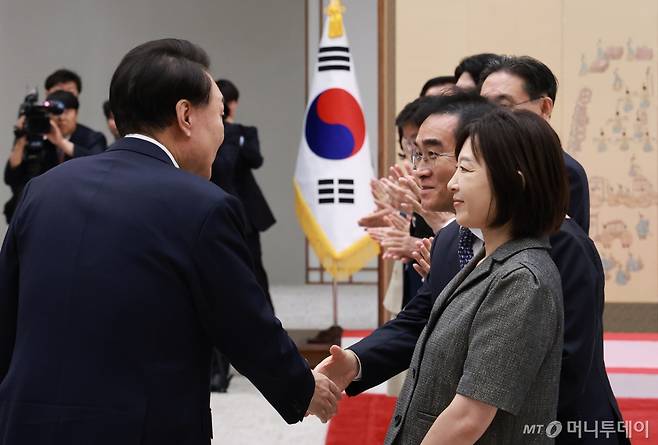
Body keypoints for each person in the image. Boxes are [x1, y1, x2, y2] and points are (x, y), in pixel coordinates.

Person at [0, 39, 339, 445]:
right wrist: (303, 390)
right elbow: (245, 324)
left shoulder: (44, 189)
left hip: (26, 424)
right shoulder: (203, 206)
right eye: (218, 116)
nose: (222, 132)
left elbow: (7, 314)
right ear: (185, 115)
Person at [316, 92, 627, 444]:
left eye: (437, 155)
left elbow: (562, 367)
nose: (421, 169)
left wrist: (468, 410)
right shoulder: (453, 239)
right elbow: (425, 320)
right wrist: (356, 361)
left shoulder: (553, 253)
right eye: (415, 153)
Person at [386, 107, 568, 444]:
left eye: (466, 169)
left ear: (515, 182)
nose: (453, 183)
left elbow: (469, 417)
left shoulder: (522, 280)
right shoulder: (488, 260)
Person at [479, 55, 590, 233]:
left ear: (544, 108)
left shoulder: (564, 171)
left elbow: (564, 249)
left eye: (503, 106)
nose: (490, 116)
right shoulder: (476, 163)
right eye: (484, 107)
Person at [3, 90, 107, 222]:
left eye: (67, 111)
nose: (61, 117)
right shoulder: (40, 138)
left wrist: (61, 142)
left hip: (80, 208)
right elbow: (11, 177)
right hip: (44, 210)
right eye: (56, 113)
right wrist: (21, 136)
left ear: (76, 113)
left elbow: (98, 163)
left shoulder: (92, 137)